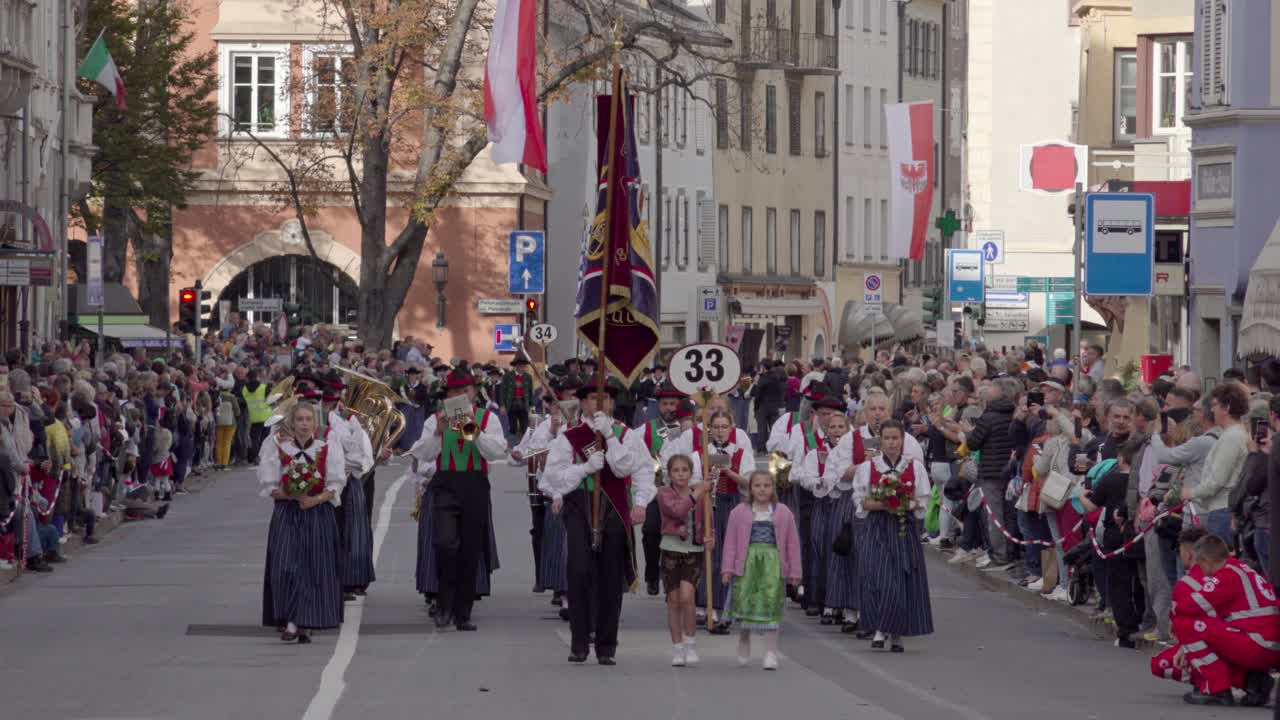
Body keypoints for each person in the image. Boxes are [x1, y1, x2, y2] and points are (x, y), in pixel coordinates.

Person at [542, 382, 652, 665]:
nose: (599, 404)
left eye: (605, 399)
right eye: (593, 398)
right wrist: (585, 468)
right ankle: (579, 642)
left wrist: (609, 437)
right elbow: (554, 476)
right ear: (583, 403)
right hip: (579, 505)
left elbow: (631, 469)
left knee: (610, 578)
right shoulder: (570, 436)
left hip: (614, 508)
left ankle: (606, 646)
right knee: (579, 572)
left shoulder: (627, 435)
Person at [409, 366, 508, 631]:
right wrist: (438, 433)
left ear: (474, 392)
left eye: (464, 390)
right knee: (444, 543)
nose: (460, 396)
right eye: (454, 391)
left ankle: (463, 612)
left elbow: (496, 451)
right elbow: (422, 454)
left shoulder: (488, 419)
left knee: (470, 549)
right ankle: (443, 603)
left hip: (475, 485)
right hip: (445, 484)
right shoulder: (435, 419)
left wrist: (471, 428)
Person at [1152, 532, 1280, 706]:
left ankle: (1216, 688)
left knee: (1184, 624)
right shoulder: (1242, 569)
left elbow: (1189, 606)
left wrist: (1174, 617)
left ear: (1204, 559)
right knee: (1194, 635)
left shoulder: (1226, 574)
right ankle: (1254, 682)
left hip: (1258, 644)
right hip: (1264, 643)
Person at [258, 400, 346, 644]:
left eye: (308, 419)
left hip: (317, 514)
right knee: (286, 565)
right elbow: (270, 486)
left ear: (315, 423)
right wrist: (292, 494)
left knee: (313, 567)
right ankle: (291, 619)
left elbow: (336, 483)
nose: (304, 424)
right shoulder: (280, 448)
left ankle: (299, 623)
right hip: (288, 513)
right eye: (300, 420)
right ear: (292, 423)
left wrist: (314, 499)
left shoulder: (326, 446)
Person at [852, 420, 934, 652]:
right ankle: (880, 628)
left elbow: (922, 501)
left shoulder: (914, 467)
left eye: (895, 438)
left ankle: (896, 633)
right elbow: (861, 502)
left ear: (902, 440)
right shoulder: (868, 467)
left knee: (900, 581)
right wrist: (884, 504)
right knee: (879, 579)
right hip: (877, 528)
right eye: (887, 438)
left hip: (903, 529)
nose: (891, 443)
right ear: (880, 440)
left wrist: (903, 503)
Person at [720, 470, 802, 670]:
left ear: (773, 488)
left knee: (771, 606)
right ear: (750, 489)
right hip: (747, 565)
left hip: (772, 566)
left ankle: (770, 652)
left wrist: (795, 571)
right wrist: (727, 568)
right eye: (757, 485)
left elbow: (793, 543)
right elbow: (730, 542)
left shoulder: (783, 512)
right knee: (746, 605)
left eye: (766, 485)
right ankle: (744, 641)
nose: (762, 489)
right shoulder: (738, 512)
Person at [656, 453, 711, 667]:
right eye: (676, 470)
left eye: (684, 470)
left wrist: (710, 536)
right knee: (674, 600)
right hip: (670, 548)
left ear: (691, 472)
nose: (680, 474)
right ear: (669, 474)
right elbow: (677, 510)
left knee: (688, 596)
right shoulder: (663, 493)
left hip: (693, 550)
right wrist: (697, 492)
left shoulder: (701, 492)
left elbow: (708, 518)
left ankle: (691, 643)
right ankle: (677, 647)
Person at [323, 383, 376, 600]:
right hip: (336, 480)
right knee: (340, 531)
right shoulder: (332, 422)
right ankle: (339, 580)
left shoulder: (347, 421)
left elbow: (361, 452)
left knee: (354, 531)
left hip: (352, 477)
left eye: (332, 400)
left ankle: (352, 579)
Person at [1182, 382, 1250, 548]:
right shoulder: (1234, 434)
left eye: (1214, 405)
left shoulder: (1232, 437)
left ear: (1226, 407)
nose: (1211, 410)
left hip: (1222, 511)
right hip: (1223, 510)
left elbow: (1216, 481)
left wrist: (1191, 492)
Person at [639, 381, 686, 596]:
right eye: (665, 404)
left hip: (681, 493)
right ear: (658, 405)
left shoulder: (688, 429)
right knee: (650, 531)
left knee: (677, 536)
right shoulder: (646, 429)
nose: (669, 408)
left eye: (673, 404)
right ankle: (651, 574)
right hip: (655, 492)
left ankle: (673, 578)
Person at [817, 412, 860, 633]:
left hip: (866, 500)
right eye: (832, 426)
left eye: (840, 426)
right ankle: (837, 605)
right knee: (840, 553)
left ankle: (858, 609)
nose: (836, 430)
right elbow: (832, 477)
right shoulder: (842, 448)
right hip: (842, 501)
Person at [242, 370, 270, 462]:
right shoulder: (264, 387)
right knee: (265, 439)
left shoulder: (245, 389)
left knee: (255, 440)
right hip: (266, 416)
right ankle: (264, 456)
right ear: (257, 376)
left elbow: (245, 400)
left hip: (254, 417)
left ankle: (256, 457)